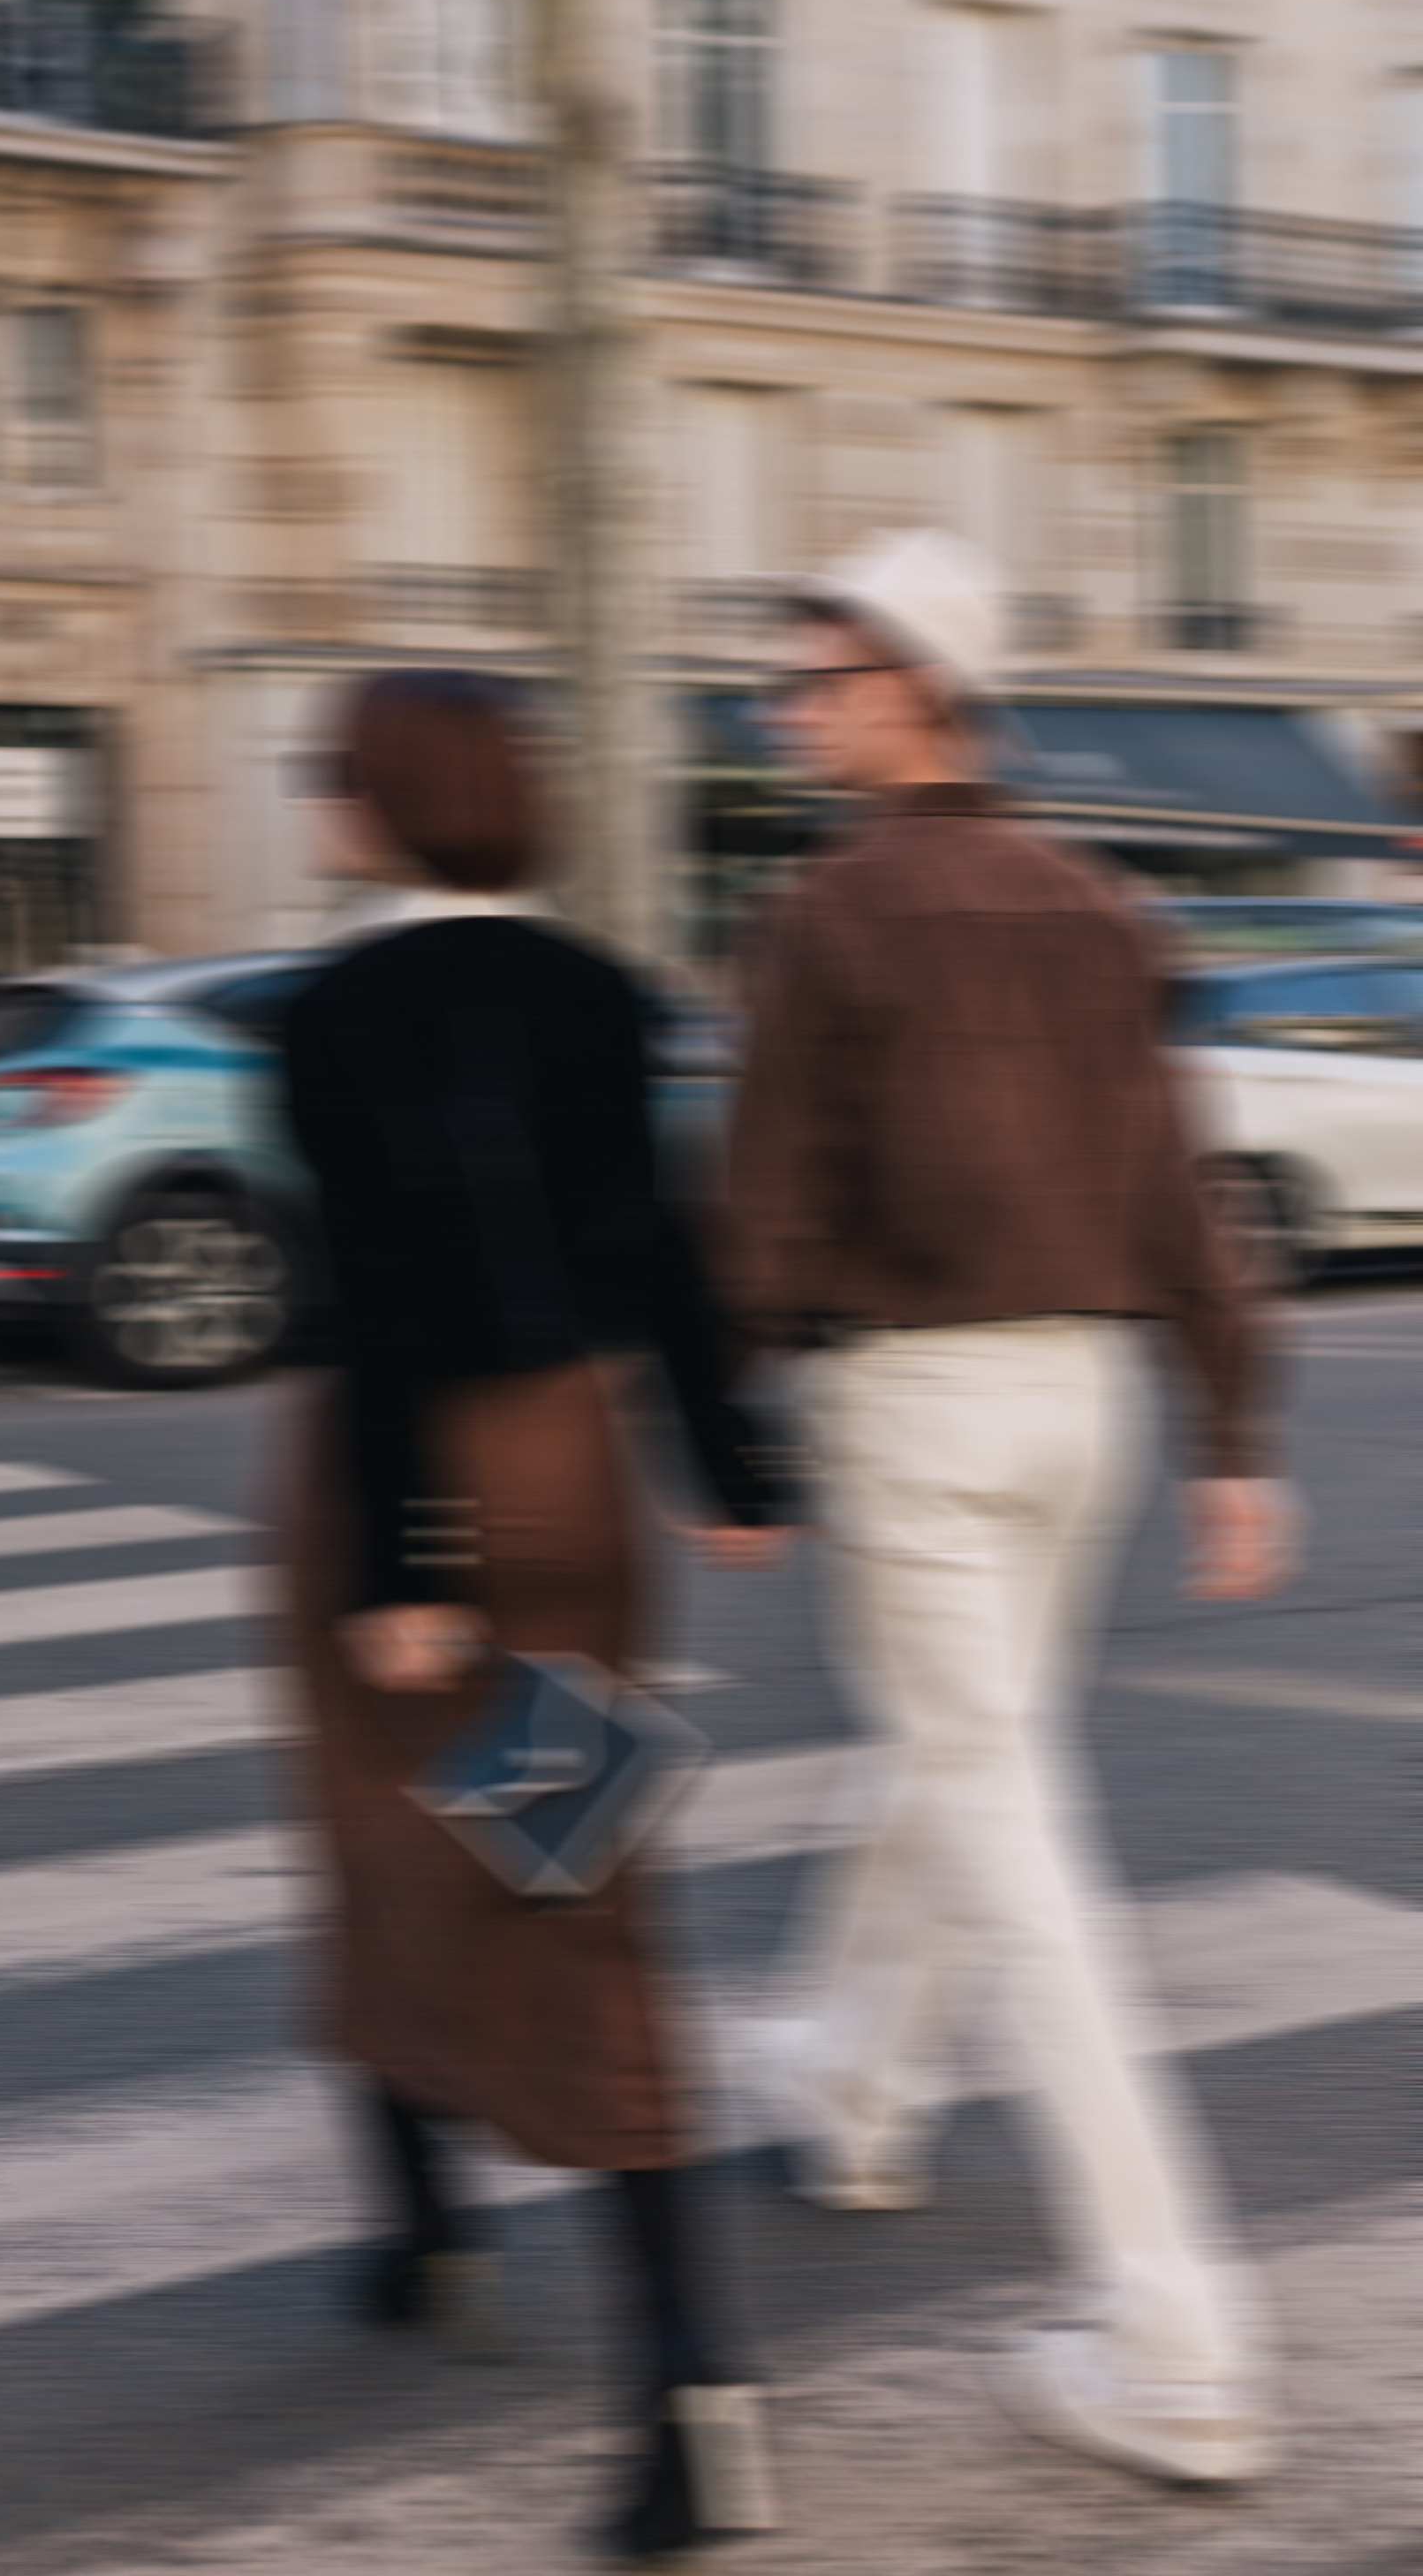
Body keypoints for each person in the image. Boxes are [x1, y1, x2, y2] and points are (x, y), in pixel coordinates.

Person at [723, 529, 1296, 2492]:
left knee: (1013, 1846)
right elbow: (1181, 1190)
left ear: (914, 692)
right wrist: (1234, 1434)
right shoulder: (1098, 906)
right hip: (1087, 1403)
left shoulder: (827, 912)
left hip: (918, 1405)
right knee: (958, 1762)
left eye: (816, 680)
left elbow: (763, 1206)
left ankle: (1177, 2339)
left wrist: (725, 1422)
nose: (787, 710)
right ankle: (852, 2081)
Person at [278, 668, 791, 2565]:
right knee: (585, 1892)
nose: (316, 800)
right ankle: (678, 2379)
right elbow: (668, 1238)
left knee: (368, 1847)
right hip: (580, 1472)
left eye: (329, 778)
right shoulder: (599, 989)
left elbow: (388, 1280)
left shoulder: (332, 1007)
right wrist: (732, 1466)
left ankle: (426, 2228)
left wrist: (402, 1559)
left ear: (385, 802)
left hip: (393, 1472)